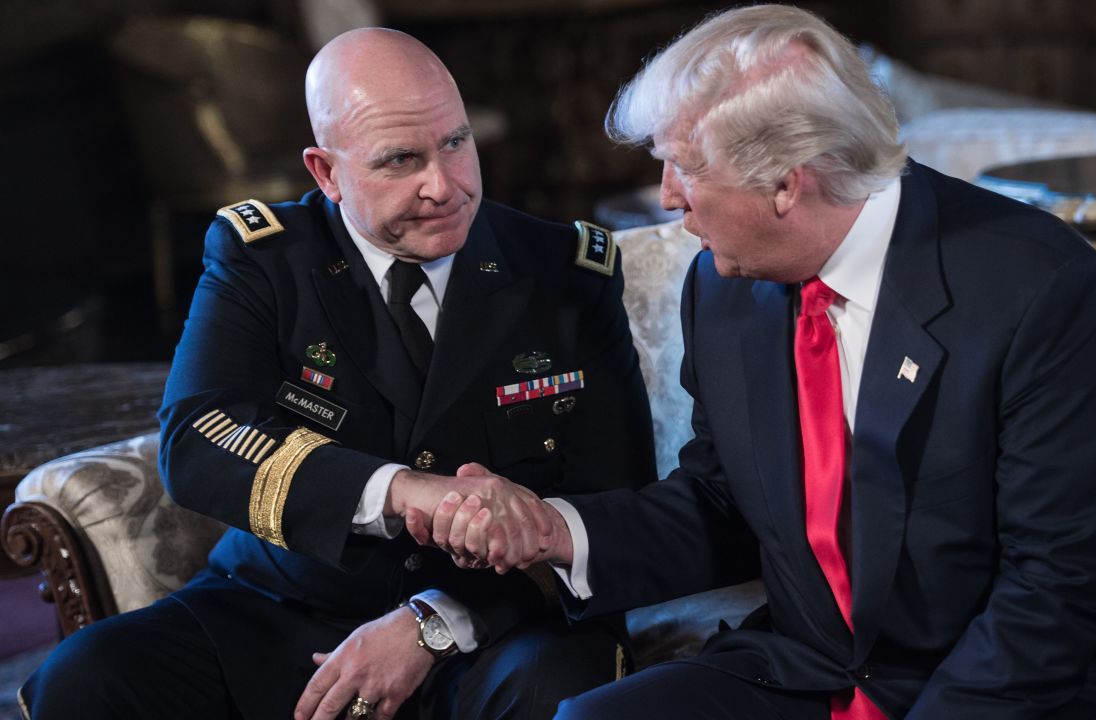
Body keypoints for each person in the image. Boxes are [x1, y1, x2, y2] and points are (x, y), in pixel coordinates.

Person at [413, 6, 1096, 719]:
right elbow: (723, 503)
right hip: (821, 669)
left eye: (683, 166)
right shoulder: (721, 287)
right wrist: (558, 530)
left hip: (1040, 686)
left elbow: (1064, 591)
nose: (667, 197)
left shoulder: (1044, 291)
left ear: (787, 185)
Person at [21, 27, 655, 720]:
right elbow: (197, 436)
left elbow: (616, 504)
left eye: (455, 143)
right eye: (400, 160)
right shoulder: (265, 260)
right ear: (326, 172)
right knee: (89, 677)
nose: (443, 186)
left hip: (490, 622)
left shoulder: (564, 273)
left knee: (565, 685)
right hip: (288, 607)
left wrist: (433, 624)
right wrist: (402, 492)